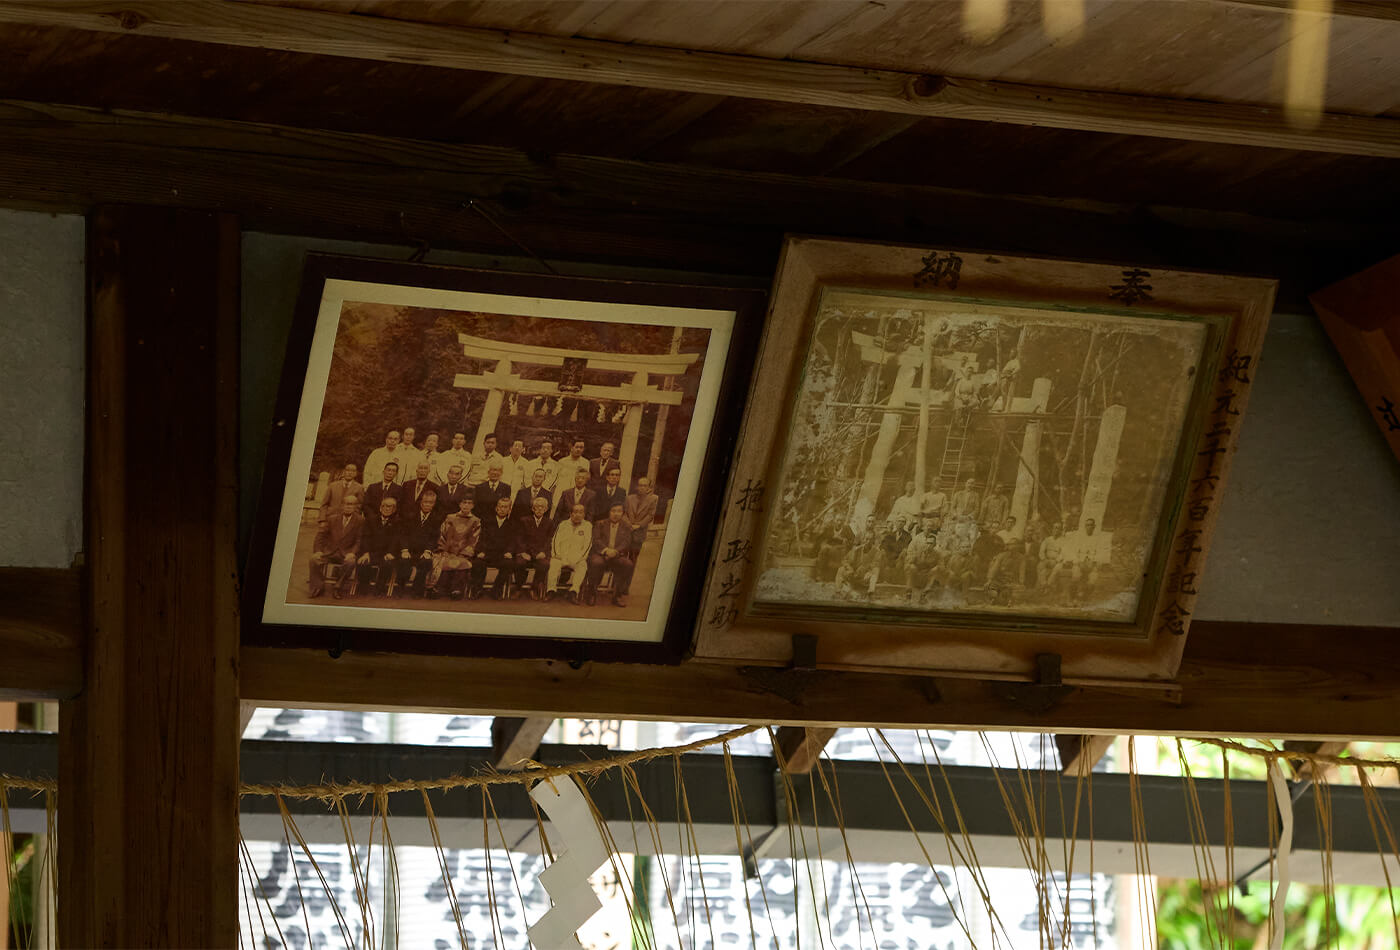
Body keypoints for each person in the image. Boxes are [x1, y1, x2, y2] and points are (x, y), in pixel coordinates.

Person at [308, 495, 363, 598]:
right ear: (342, 505)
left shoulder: (360, 521)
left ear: (356, 507)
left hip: (346, 553)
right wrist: (318, 550)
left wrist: (352, 553)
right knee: (314, 559)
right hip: (329, 551)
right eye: (346, 503)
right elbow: (321, 536)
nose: (348, 506)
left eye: (352, 504)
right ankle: (318, 586)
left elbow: (359, 540)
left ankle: (338, 587)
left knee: (350, 562)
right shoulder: (332, 519)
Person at [428, 497, 481, 599]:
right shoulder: (450, 518)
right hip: (448, 551)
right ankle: (440, 589)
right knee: (442, 560)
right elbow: (442, 535)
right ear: (460, 504)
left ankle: (456, 590)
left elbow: (474, 540)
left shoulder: (476, 521)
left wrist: (463, 553)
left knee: (461, 562)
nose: (466, 505)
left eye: (469, 503)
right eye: (464, 502)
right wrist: (444, 550)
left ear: (473, 506)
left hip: (463, 553)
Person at [584, 504, 635, 607]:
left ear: (622, 513)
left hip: (617, 555)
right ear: (609, 512)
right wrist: (606, 550)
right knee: (596, 562)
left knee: (628, 564)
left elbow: (626, 542)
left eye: (619, 511)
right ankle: (592, 593)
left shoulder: (626, 526)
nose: (616, 514)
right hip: (600, 553)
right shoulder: (600, 524)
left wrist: (615, 552)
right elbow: (596, 539)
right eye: (613, 511)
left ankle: (617, 595)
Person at [397, 488, 441, 597]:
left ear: (434, 504)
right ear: (421, 502)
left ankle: (417, 589)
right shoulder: (410, 515)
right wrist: (405, 550)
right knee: (403, 561)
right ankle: (401, 586)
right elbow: (403, 534)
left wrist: (427, 551)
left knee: (426, 562)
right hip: (409, 550)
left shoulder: (436, 519)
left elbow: (434, 538)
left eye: (430, 502)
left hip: (423, 551)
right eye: (425, 502)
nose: (427, 505)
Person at [472, 496, 517, 599]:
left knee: (508, 564)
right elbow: (482, 538)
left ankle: (496, 589)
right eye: (500, 506)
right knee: (478, 563)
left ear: (509, 509)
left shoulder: (512, 524)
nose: (502, 509)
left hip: (502, 555)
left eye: (505, 507)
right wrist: (481, 551)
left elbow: (513, 541)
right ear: (496, 508)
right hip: (487, 553)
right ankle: (477, 588)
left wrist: (509, 552)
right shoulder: (487, 521)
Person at [546, 502, 592, 604]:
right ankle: (551, 590)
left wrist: (580, 558)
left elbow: (588, 545)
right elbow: (555, 540)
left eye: (581, 512)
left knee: (583, 566)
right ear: (571, 513)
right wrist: (556, 555)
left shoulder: (587, 526)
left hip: (577, 558)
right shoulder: (563, 524)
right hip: (561, 556)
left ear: (584, 514)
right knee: (553, 564)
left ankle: (574, 592)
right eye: (575, 512)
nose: (578, 515)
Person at [356, 496, 402, 596]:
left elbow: (396, 540)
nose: (386, 508)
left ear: (394, 509)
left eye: (389, 506)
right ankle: (363, 585)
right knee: (363, 561)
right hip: (372, 552)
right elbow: (365, 538)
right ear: (380, 508)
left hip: (387, 553)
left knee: (388, 563)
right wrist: (366, 553)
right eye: (384, 506)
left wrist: (390, 552)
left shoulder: (398, 522)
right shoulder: (371, 520)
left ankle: (379, 587)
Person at [513, 495, 555, 600]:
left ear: (546, 509)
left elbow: (550, 540)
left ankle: (534, 588)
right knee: (519, 563)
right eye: (537, 506)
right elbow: (519, 538)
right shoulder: (524, 520)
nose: (540, 509)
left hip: (540, 553)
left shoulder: (549, 522)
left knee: (545, 564)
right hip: (526, 552)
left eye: (542, 507)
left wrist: (544, 552)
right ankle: (518, 588)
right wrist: (523, 552)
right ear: (533, 508)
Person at [622, 476, 658, 559]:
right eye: (640, 485)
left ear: (649, 488)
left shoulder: (653, 499)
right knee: (622, 554)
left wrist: (638, 525)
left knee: (634, 555)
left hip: (640, 531)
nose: (642, 488)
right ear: (637, 487)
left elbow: (650, 515)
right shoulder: (629, 498)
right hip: (627, 530)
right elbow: (624, 513)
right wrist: (629, 524)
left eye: (644, 486)